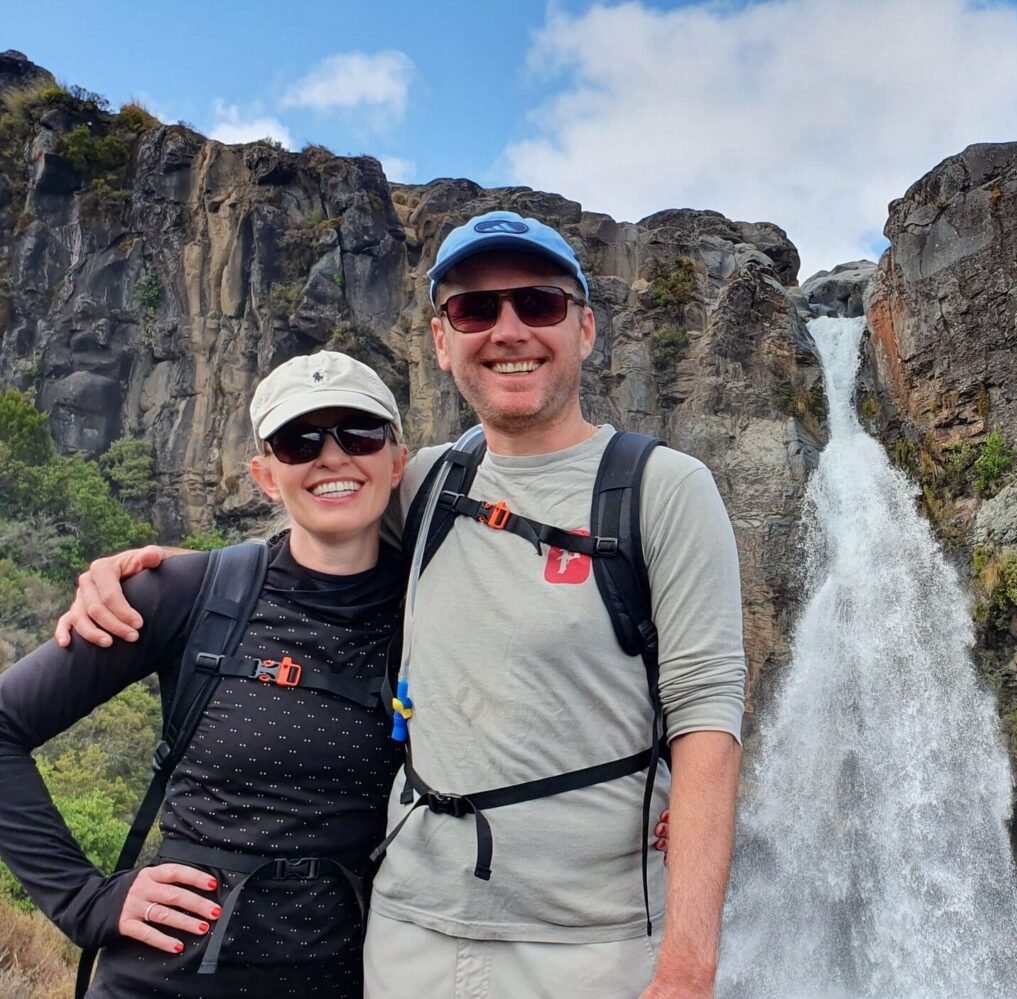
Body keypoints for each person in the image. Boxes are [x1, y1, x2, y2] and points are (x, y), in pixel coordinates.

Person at [57, 211, 748, 999]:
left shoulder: (661, 488)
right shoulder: (424, 482)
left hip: (590, 942)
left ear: (585, 328)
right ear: (441, 341)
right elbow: (317, 530)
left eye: (540, 304)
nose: (508, 329)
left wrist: (689, 969)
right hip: (406, 935)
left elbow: (707, 713)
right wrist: (152, 574)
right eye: (474, 309)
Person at [0, 351, 410, 997]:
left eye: (358, 433)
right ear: (266, 474)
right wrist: (81, 900)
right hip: (167, 979)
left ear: (397, 460)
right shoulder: (188, 592)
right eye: (298, 441)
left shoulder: (436, 611)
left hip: (352, 979)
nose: (331, 457)